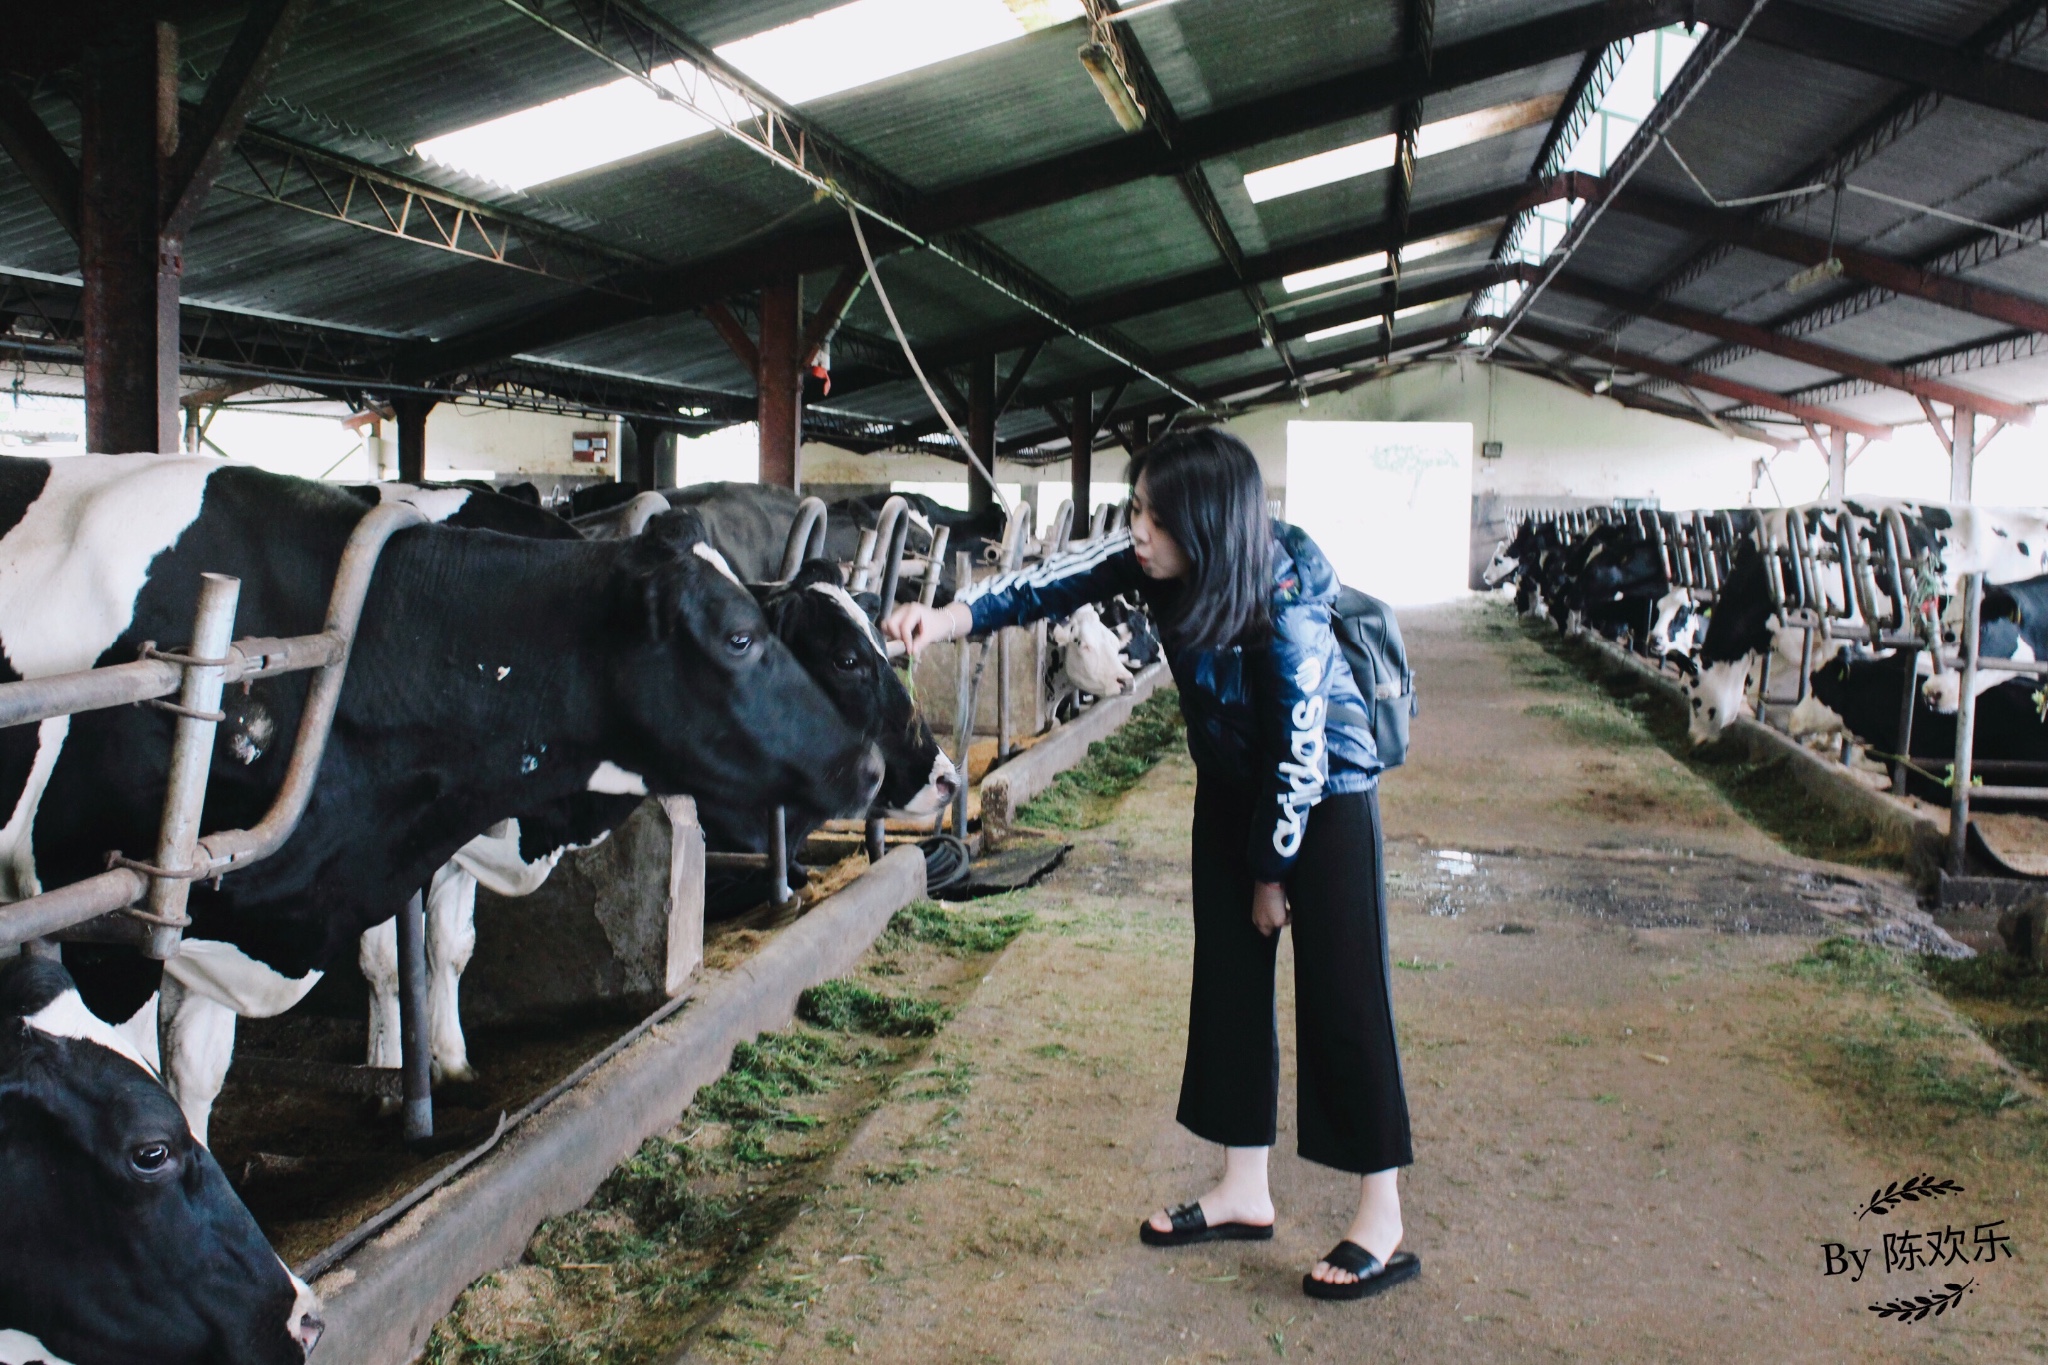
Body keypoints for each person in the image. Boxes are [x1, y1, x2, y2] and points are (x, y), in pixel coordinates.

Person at [882, 428, 1417, 1301]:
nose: (1137, 532)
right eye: (1136, 510)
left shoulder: (1285, 597)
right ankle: (1244, 1188)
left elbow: (1304, 752)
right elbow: (1049, 581)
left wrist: (1272, 873)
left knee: (1345, 992)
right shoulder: (1150, 560)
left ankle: (1380, 1215)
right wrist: (943, 618)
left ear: (1205, 527)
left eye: (1154, 519)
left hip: (1322, 795)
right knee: (1228, 981)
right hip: (1232, 778)